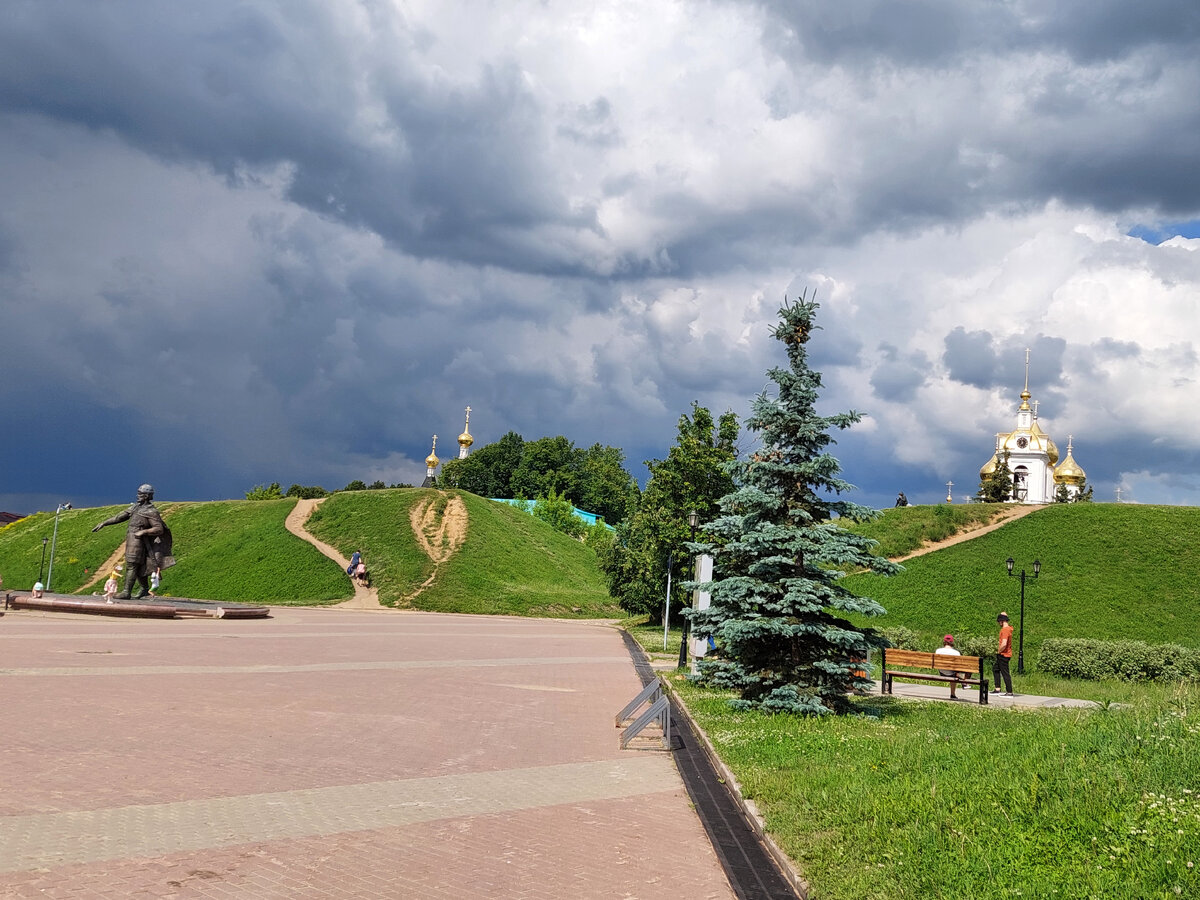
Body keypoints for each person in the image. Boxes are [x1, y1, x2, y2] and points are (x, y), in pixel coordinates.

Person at [92, 484, 174, 600]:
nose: (138, 496)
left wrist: (144, 532)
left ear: (146, 496)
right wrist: (104, 523)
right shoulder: (136, 507)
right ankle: (144, 589)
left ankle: (126, 592)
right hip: (131, 539)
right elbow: (119, 517)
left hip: (139, 541)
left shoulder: (151, 511)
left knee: (132, 564)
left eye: (140, 494)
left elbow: (158, 528)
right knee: (139, 566)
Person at [993, 612, 1014, 696]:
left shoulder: (1005, 630)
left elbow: (1004, 643)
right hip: (1005, 654)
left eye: (999, 622)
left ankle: (1009, 692)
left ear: (1002, 621)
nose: (999, 624)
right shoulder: (1009, 629)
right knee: (995, 669)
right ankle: (997, 688)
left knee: (1005, 673)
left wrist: (998, 651)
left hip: (1003, 654)